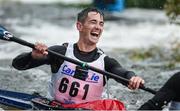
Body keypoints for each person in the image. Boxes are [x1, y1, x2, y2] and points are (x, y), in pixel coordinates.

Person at [12, 7, 144, 105]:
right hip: (55, 106)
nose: (98, 27)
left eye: (101, 24)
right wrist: (32, 56)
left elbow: (123, 73)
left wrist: (133, 78)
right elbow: (17, 65)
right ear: (79, 26)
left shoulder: (106, 62)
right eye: (93, 22)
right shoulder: (60, 52)